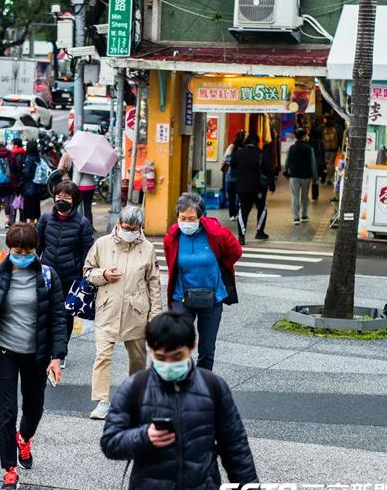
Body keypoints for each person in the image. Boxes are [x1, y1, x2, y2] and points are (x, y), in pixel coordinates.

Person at [100, 311, 265, 490]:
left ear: (192, 347)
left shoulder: (213, 386)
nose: (169, 364)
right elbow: (110, 442)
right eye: (160, 357)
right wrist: (144, 437)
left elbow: (236, 448)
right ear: (151, 350)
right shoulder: (134, 388)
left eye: (177, 357)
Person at [0, 223, 67, 490]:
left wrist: (57, 357)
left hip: (37, 354)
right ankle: (9, 470)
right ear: (9, 249)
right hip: (3, 352)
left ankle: (24, 438)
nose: (22, 255)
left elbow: (58, 319)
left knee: (34, 407)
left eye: (27, 251)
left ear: (36, 250)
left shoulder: (48, 277)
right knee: (5, 410)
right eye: (16, 251)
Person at [84, 206, 162, 420]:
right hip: (107, 308)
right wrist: (104, 274)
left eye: (134, 228)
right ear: (118, 224)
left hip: (136, 311)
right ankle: (101, 401)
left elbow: (154, 284)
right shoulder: (102, 244)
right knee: (102, 356)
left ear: (140, 228)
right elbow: (87, 272)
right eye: (126, 227)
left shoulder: (147, 249)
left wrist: (155, 317)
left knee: (137, 358)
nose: (129, 231)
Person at [164, 192, 242, 371]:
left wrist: (221, 266)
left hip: (212, 298)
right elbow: (172, 264)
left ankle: (202, 385)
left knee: (207, 350)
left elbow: (235, 251)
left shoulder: (217, 234)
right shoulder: (172, 237)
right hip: (181, 298)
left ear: (200, 216)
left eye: (191, 218)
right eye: (182, 218)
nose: (186, 222)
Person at [37, 180, 94, 368]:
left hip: (70, 277)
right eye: (59, 196)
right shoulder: (45, 219)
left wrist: (84, 275)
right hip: (46, 275)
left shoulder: (82, 224)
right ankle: (44, 348)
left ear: (75, 200)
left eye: (67, 197)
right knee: (44, 313)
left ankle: (59, 352)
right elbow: (37, 245)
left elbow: (88, 252)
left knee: (64, 316)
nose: (61, 200)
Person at [231, 133, 273, 245]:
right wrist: (272, 184)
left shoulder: (239, 152)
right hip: (259, 188)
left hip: (243, 188)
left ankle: (241, 236)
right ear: (258, 142)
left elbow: (233, 165)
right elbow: (269, 170)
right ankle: (260, 232)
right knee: (262, 208)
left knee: (243, 211)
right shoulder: (262, 154)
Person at [283, 128, 318, 225]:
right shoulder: (309, 148)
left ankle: (296, 218)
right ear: (303, 136)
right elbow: (313, 163)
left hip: (294, 175)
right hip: (306, 176)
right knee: (304, 196)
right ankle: (304, 215)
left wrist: (286, 171)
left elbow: (287, 161)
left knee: (294, 196)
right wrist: (315, 177)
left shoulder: (291, 148)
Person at [58, 151, 96, 227]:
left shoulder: (79, 161)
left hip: (82, 187)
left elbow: (77, 176)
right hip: (91, 186)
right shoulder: (90, 159)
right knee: (88, 208)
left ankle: (74, 225)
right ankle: (89, 226)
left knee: (74, 206)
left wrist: (73, 188)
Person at [0, 138, 16, 229]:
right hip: (8, 182)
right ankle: (7, 221)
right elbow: (14, 167)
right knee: (7, 201)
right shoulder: (10, 154)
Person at [221, 130, 245, 221]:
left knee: (231, 197)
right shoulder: (243, 148)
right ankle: (238, 213)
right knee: (240, 197)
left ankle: (232, 214)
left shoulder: (232, 147)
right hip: (240, 176)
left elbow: (226, 158)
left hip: (230, 176)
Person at [20, 140, 45, 223]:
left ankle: (31, 225)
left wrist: (21, 183)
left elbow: (26, 173)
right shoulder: (38, 158)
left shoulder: (29, 159)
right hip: (37, 186)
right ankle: (35, 224)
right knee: (36, 207)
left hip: (29, 187)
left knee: (29, 208)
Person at [10, 137, 27, 223]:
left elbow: (16, 169)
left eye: (12, 144)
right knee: (21, 201)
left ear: (16, 145)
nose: (12, 146)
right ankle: (22, 219)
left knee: (14, 200)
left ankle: (12, 220)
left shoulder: (15, 155)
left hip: (16, 182)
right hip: (23, 182)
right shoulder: (24, 153)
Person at [323, 117, 340, 185]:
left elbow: (323, 140)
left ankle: (329, 177)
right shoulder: (334, 130)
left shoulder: (324, 131)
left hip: (327, 149)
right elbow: (337, 139)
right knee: (331, 163)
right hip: (334, 148)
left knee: (328, 163)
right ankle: (331, 178)